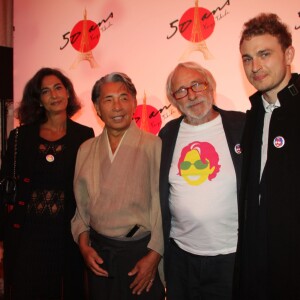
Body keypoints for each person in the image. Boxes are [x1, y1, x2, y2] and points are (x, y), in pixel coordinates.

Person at [0, 67, 94, 300]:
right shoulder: (20, 137)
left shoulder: (84, 135)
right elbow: (5, 187)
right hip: (27, 235)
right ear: (38, 100)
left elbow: (89, 186)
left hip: (67, 235)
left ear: (68, 93)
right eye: (45, 91)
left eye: (58, 88)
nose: (54, 95)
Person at [71, 72, 165, 300]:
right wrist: (85, 248)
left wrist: (154, 256)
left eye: (124, 98)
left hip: (140, 252)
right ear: (96, 107)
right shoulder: (86, 149)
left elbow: (163, 206)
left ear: (134, 103)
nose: (117, 106)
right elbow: (81, 210)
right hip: (99, 254)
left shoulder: (154, 145)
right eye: (108, 99)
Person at [159, 61, 245, 300]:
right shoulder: (167, 135)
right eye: (182, 90)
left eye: (197, 84)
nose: (192, 95)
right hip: (181, 259)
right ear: (174, 100)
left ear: (211, 86)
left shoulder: (242, 126)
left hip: (232, 256)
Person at [233, 13, 300, 300]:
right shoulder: (253, 115)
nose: (255, 67)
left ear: (288, 54)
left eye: (264, 54)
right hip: (255, 260)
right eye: (247, 58)